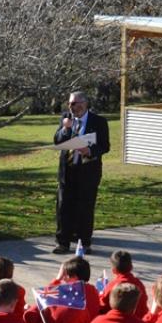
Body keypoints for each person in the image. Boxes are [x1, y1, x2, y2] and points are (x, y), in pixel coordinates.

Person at [53, 90, 110, 255]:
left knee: (85, 208)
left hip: (88, 172)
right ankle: (62, 243)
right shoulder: (66, 119)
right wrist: (65, 129)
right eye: (69, 103)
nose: (71, 107)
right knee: (63, 207)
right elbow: (57, 140)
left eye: (74, 104)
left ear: (84, 104)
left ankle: (84, 243)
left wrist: (89, 151)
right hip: (67, 171)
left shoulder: (98, 122)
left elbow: (104, 146)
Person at [99, 249, 149, 319]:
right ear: (131, 267)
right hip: (139, 321)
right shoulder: (139, 284)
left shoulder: (113, 285)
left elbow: (103, 307)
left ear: (113, 270)